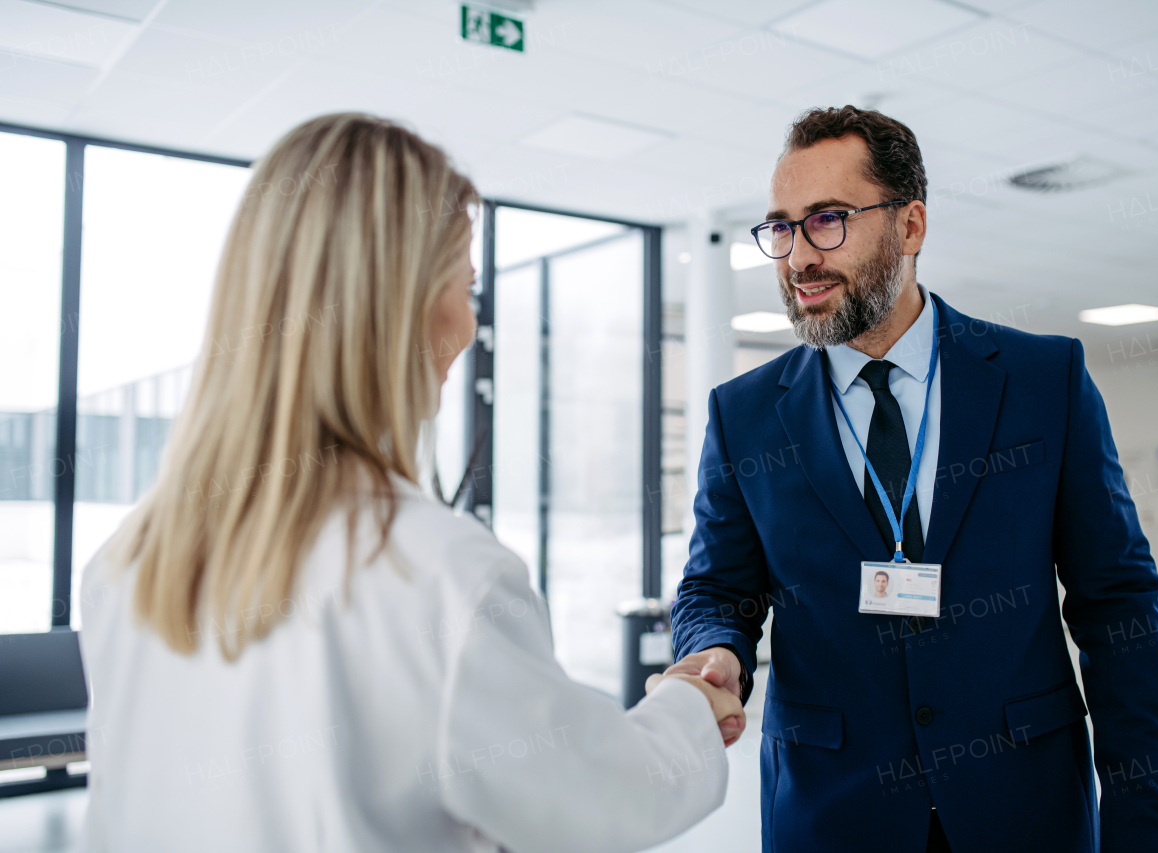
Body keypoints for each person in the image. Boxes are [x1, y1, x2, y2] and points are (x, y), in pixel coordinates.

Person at [77, 113, 744, 853]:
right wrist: (688, 704)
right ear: (396, 308)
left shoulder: (125, 562)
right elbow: (600, 805)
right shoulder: (439, 576)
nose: (468, 323)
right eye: (465, 285)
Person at [666, 106, 1158, 852]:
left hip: (1025, 808)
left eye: (828, 220)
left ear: (910, 226)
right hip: (832, 813)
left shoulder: (1045, 381)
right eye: (781, 227)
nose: (797, 256)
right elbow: (716, 588)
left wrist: (1151, 831)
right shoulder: (745, 414)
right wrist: (716, 645)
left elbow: (1119, 612)